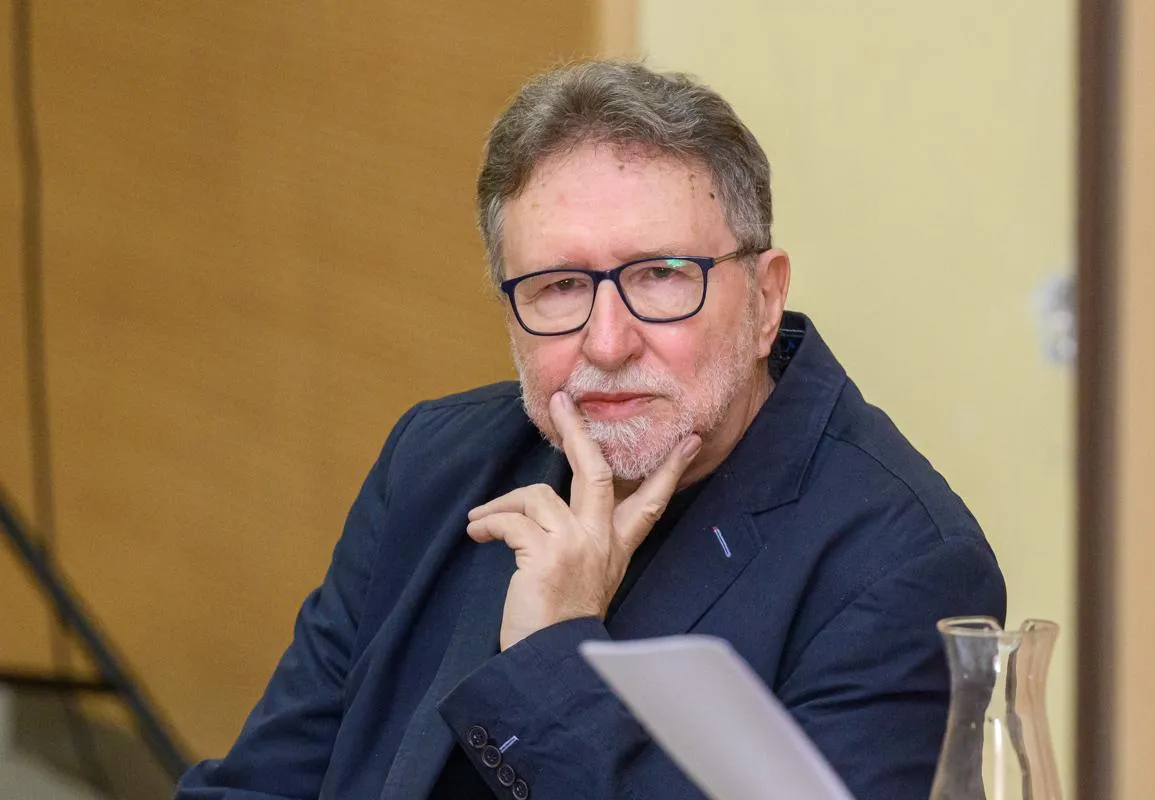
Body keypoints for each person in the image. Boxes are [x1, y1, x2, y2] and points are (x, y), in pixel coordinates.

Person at [175, 60, 1005, 800]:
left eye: (662, 276)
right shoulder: (435, 462)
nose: (607, 344)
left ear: (765, 299)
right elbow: (256, 787)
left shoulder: (902, 564)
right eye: (560, 287)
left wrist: (552, 656)